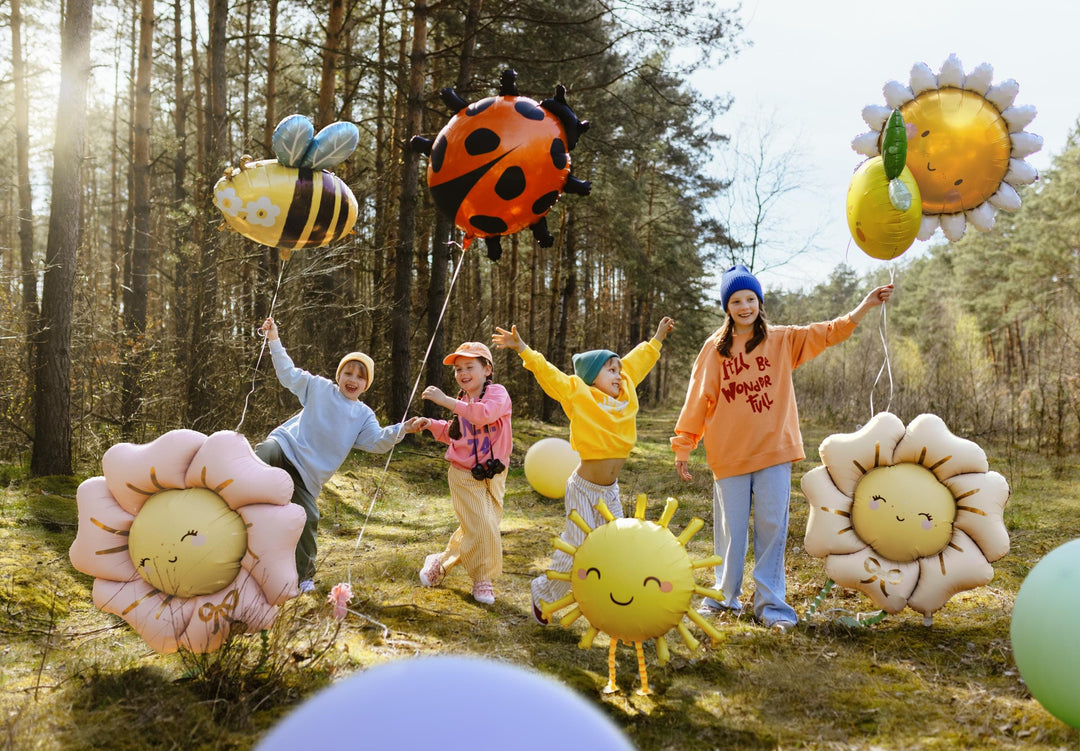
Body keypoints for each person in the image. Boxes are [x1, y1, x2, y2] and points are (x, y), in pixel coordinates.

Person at [671, 264, 893, 633]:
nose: (745, 306)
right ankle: (723, 598)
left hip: (775, 451)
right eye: (737, 300)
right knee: (731, 531)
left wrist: (863, 307)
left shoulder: (782, 340)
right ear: (727, 306)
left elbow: (827, 332)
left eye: (751, 299)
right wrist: (684, 445)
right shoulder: (714, 349)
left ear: (760, 301)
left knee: (773, 528)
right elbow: (698, 398)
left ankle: (771, 606)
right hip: (730, 455)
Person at [493, 317, 675, 624]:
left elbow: (638, 361)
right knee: (576, 547)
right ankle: (543, 590)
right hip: (583, 488)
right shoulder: (579, 393)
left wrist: (657, 338)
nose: (619, 374)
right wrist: (523, 348)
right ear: (593, 376)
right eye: (611, 370)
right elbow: (548, 373)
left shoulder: (625, 388)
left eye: (619, 369)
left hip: (610, 490)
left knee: (617, 546)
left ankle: (611, 601)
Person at [255, 317, 426, 593]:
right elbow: (288, 373)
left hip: (307, 478)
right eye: (348, 373)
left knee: (308, 517)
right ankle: (231, 496)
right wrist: (274, 339)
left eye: (360, 376)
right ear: (339, 376)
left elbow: (379, 441)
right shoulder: (320, 388)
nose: (353, 380)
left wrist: (403, 429)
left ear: (365, 384)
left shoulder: (363, 415)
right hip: (285, 448)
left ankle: (304, 578)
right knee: (263, 453)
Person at [418, 342, 512, 605]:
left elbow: (484, 415)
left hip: (494, 475)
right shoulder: (462, 400)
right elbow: (456, 432)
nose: (462, 373)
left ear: (487, 369)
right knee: (482, 525)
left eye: (469, 367)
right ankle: (482, 578)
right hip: (463, 474)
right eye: (458, 369)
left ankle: (440, 562)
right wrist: (431, 425)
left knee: (482, 526)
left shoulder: (497, 394)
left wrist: (446, 401)